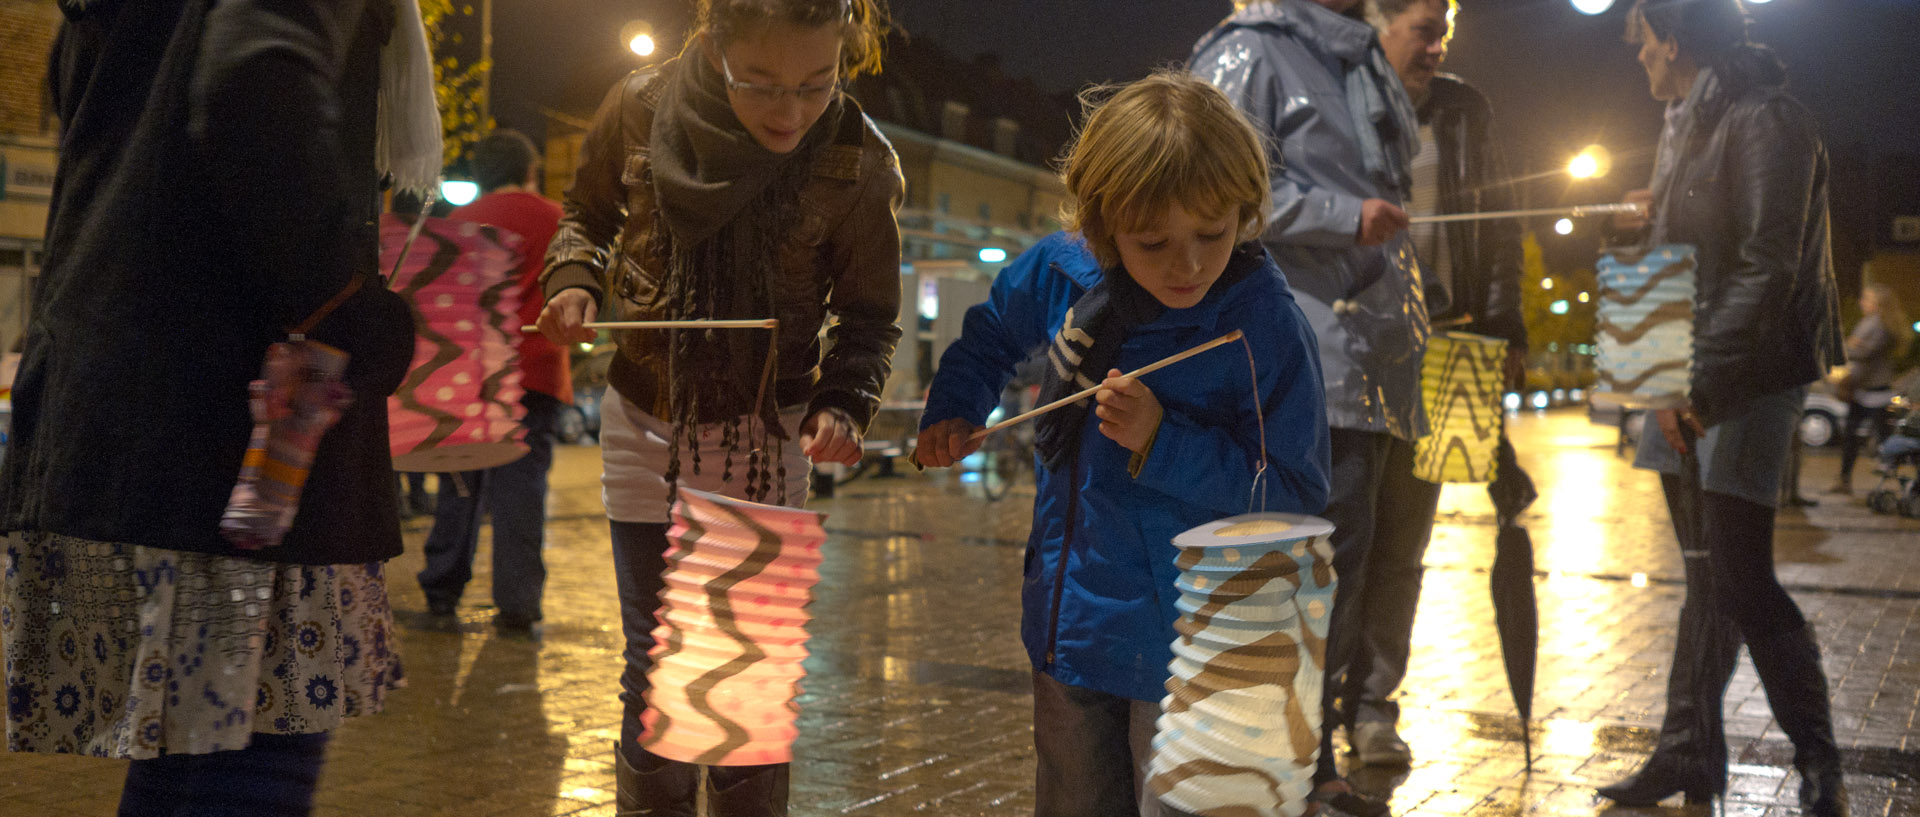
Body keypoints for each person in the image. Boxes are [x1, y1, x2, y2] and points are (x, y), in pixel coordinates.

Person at [1, 0, 430, 815]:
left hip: (123, 405)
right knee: (251, 755)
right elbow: (250, 81)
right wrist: (351, 311)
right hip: (241, 430)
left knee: (195, 752)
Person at [916, 71, 1332, 817]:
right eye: (1154, 242)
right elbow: (989, 334)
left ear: (1247, 208)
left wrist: (1162, 441)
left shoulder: (1263, 324)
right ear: (1104, 222)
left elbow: (1294, 494)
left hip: (1195, 647)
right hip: (1070, 626)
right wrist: (953, 406)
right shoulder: (1062, 269)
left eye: (1213, 232)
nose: (1189, 264)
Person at [533, 1, 903, 814]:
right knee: (655, 658)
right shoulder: (638, 103)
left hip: (767, 440)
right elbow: (586, 216)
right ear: (711, 44)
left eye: (816, 84)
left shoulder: (857, 156)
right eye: (761, 83)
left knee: (745, 667)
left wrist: (843, 403)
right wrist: (572, 279)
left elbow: (870, 319)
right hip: (645, 420)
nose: (790, 112)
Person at [1597, 2, 1848, 815]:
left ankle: (1820, 760)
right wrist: (1649, 220)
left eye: (1641, 40)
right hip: (1680, 365)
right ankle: (1687, 755)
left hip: (1743, 373)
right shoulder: (1687, 118)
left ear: (1674, 40)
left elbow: (1767, 269)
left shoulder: (1767, 116)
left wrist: (1694, 387)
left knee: (1739, 574)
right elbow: (1691, 248)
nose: (1636, 56)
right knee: (1706, 579)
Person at [1191, 1, 1425, 810]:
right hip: (1294, 361)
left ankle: (1312, 758)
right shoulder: (1251, 51)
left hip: (1370, 365)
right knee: (1293, 575)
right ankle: (1286, 763)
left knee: (1342, 577)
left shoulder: (1360, 64)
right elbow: (1204, 183)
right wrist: (1341, 215)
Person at [1342, 0, 1534, 767]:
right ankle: (1319, 704)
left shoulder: (1463, 109)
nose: (1437, 45)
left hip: (1444, 346)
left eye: (1444, 31)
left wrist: (1506, 327)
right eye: (1424, 28)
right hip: (1350, 347)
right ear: (1377, 22)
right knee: (1343, 537)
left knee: (1402, 543)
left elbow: (1502, 219)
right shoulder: (1339, 99)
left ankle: (1373, 706)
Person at [417, 129, 571, 637]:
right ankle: (518, 600)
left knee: (459, 483)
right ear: (532, 169)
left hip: (469, 377)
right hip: (535, 372)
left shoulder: (457, 221)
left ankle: (442, 586)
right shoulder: (558, 220)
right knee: (522, 490)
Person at [1829, 285, 1911, 495]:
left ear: (1878, 303)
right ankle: (1846, 479)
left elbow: (1865, 351)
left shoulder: (1883, 324)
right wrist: (1853, 345)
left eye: (1867, 299)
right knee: (1854, 436)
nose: (1862, 302)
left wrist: (1852, 345)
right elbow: (1857, 349)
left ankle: (1887, 481)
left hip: (1876, 390)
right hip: (1862, 388)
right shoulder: (1871, 322)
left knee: (1878, 436)